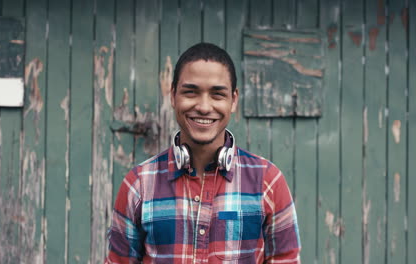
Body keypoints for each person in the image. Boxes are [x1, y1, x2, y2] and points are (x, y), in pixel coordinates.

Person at [105, 43, 301, 264]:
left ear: (233, 100)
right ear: (173, 96)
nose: (204, 107)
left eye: (217, 94)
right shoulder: (138, 185)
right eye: (191, 92)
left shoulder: (268, 181)